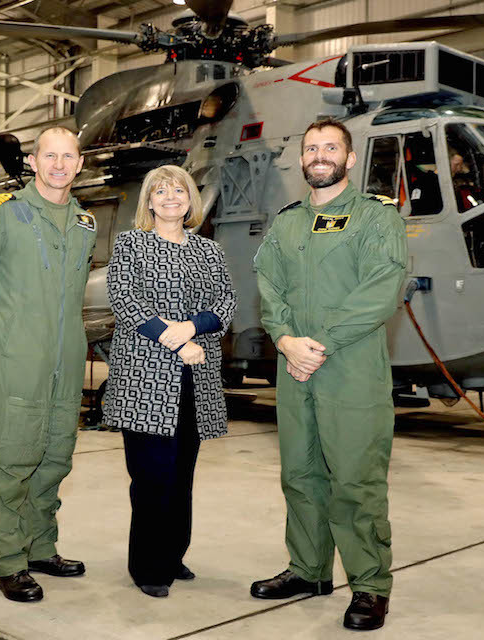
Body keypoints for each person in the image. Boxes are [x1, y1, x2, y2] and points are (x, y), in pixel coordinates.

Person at [252, 118, 408, 631]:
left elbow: (381, 289)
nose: (320, 155)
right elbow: (267, 284)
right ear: (301, 160)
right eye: (311, 148)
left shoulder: (376, 218)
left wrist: (319, 345)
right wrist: (283, 338)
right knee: (299, 475)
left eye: (331, 147)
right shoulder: (288, 221)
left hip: (350, 370)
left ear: (350, 158)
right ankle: (308, 569)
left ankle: (368, 585)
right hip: (294, 368)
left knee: (356, 480)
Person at [0, 126, 96, 603]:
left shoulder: (84, 223)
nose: (59, 164)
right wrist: (1, 331)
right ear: (33, 162)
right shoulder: (1, 214)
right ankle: (8, 560)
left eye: (67, 156)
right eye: (49, 156)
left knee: (54, 456)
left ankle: (40, 547)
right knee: (13, 459)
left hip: (67, 359)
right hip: (18, 358)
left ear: (79, 164)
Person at [104, 164, 237, 598]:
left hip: (195, 381)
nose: (170, 197)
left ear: (190, 200)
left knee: (182, 474)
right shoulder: (132, 244)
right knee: (151, 475)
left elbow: (227, 300)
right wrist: (175, 338)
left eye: (177, 190)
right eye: (159, 191)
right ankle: (148, 566)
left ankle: (173, 553)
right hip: (145, 378)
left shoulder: (209, 252)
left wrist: (194, 326)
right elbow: (124, 297)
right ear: (149, 202)